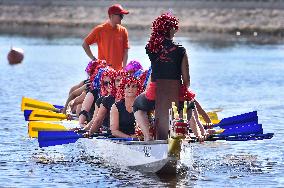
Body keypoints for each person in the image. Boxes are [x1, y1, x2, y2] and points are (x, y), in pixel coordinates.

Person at [133, 13, 212, 141]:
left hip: (154, 93)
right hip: (176, 93)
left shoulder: (150, 48)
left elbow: (155, 71)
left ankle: (148, 135)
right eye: (175, 28)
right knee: (190, 104)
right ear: (170, 29)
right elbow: (186, 81)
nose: (176, 31)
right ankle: (181, 131)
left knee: (137, 105)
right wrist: (184, 91)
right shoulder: (181, 50)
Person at [82, 4, 130, 70]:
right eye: (120, 15)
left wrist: (124, 69)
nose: (122, 18)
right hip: (103, 71)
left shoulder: (123, 31)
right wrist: (94, 59)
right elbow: (85, 44)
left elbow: (125, 51)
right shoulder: (99, 29)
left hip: (118, 72)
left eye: (122, 16)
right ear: (112, 16)